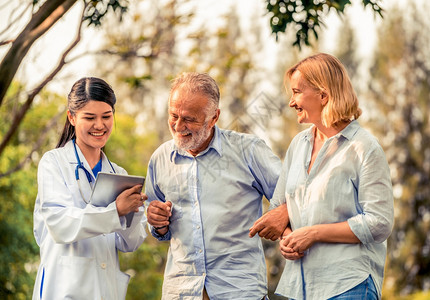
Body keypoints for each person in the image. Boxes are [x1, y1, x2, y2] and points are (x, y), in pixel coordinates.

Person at [251, 53, 394, 300]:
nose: (291, 102)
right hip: (300, 287)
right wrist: (288, 238)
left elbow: (379, 222)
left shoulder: (364, 148)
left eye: (296, 92)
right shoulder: (298, 144)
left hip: (348, 286)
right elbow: (279, 206)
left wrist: (313, 233)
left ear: (323, 96)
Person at [145, 72, 284, 299]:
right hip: (181, 291)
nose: (179, 126)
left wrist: (283, 210)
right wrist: (157, 222)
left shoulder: (248, 151)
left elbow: (294, 195)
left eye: (189, 119)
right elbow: (158, 228)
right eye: (173, 115)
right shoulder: (160, 159)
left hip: (238, 291)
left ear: (214, 117)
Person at [32, 77, 148, 300]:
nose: (99, 125)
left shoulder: (120, 174)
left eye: (106, 116)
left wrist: (133, 213)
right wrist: (115, 211)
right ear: (72, 117)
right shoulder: (53, 163)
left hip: (106, 290)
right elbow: (60, 224)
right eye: (90, 117)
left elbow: (130, 243)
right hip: (64, 289)